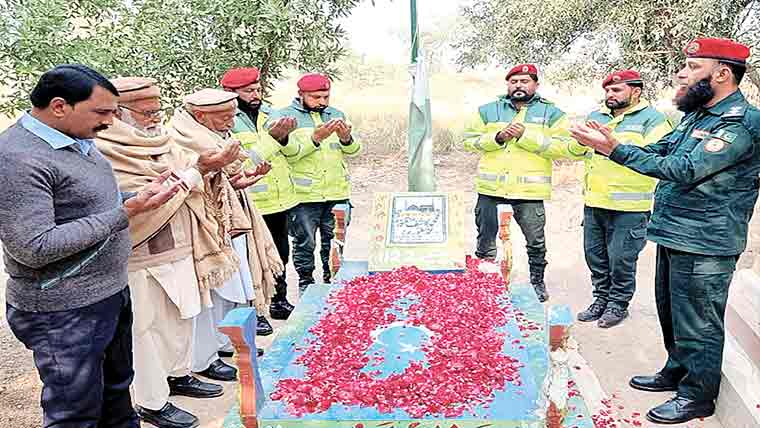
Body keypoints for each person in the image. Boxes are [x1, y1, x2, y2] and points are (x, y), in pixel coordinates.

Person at [570, 38, 760, 424]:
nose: (681, 73)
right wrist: (613, 142)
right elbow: (663, 149)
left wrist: (615, 151)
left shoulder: (740, 121)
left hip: (707, 241)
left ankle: (697, 395)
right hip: (676, 232)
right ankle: (676, 371)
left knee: (700, 321)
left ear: (722, 73)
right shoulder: (699, 115)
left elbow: (685, 168)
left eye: (692, 67)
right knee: (673, 312)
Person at [0, 65, 179, 427]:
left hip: (107, 295)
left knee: (116, 394)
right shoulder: (17, 159)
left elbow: (90, 206)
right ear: (59, 106)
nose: (110, 122)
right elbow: (33, 246)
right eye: (102, 112)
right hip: (63, 312)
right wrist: (126, 212)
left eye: (113, 112)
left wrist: (137, 197)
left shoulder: (78, 141)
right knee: (75, 414)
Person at [97, 77, 244, 428]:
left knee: (180, 320)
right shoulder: (104, 150)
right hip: (138, 255)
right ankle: (152, 401)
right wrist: (197, 172)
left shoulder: (163, 142)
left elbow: (185, 182)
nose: (155, 118)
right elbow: (142, 199)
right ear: (119, 113)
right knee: (146, 331)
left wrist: (203, 173)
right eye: (147, 112)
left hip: (180, 247)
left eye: (158, 110)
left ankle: (178, 377)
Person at [170, 88, 283, 382]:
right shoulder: (181, 137)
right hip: (204, 227)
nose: (232, 121)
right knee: (211, 292)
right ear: (200, 115)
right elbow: (185, 182)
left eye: (234, 114)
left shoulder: (212, 134)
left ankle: (224, 344)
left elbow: (223, 179)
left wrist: (241, 181)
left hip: (231, 221)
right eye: (225, 116)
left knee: (231, 287)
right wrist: (214, 168)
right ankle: (203, 359)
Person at [566, 70, 673, 328]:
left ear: (636, 92)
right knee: (596, 257)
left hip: (630, 207)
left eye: (617, 90)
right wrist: (582, 140)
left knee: (621, 259)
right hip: (595, 203)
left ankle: (618, 304)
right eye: (607, 91)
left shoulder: (654, 120)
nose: (609, 95)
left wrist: (609, 145)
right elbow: (573, 151)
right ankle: (600, 299)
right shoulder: (596, 116)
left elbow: (654, 158)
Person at [462, 64, 570, 302]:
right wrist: (497, 138)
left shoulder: (553, 114)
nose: (519, 85)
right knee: (485, 240)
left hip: (529, 192)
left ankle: (537, 283)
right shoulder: (487, 110)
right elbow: (468, 141)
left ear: (536, 85)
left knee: (535, 242)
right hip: (491, 189)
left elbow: (564, 147)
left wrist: (525, 137)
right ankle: (484, 284)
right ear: (508, 85)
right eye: (514, 81)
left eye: (524, 81)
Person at [267, 73, 361, 294]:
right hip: (303, 196)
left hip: (337, 193)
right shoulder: (284, 118)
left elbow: (354, 152)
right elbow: (291, 156)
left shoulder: (336, 115)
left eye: (326, 96)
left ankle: (333, 283)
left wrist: (346, 139)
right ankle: (306, 284)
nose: (322, 102)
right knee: (304, 243)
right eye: (316, 97)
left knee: (335, 243)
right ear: (300, 95)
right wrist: (316, 138)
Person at [221, 67, 301, 327]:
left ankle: (278, 301)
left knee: (280, 253)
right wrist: (273, 139)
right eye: (248, 91)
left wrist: (285, 138)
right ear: (230, 94)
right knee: (253, 259)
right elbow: (242, 163)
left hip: (281, 199)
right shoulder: (226, 120)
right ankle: (257, 312)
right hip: (250, 200)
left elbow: (294, 153)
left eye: (258, 89)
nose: (256, 95)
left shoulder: (272, 112)